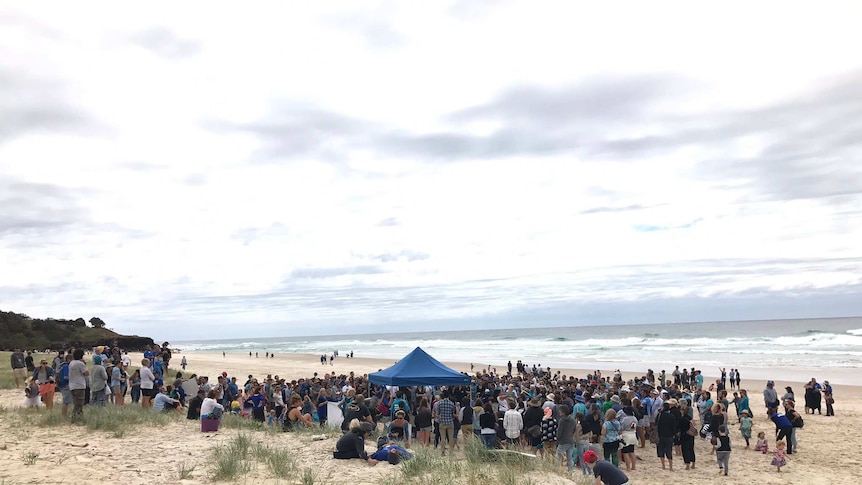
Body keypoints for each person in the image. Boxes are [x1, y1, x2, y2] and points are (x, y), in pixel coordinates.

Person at [68, 349, 89, 419]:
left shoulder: (71, 363)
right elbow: (86, 373)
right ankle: (74, 417)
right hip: (79, 385)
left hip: (72, 385)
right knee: (79, 403)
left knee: (76, 402)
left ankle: (80, 416)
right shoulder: (80, 364)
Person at [556, 404, 576, 474]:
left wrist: (557, 438)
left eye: (560, 411)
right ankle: (570, 471)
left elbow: (559, 431)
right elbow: (574, 429)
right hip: (571, 440)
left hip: (563, 440)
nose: (559, 412)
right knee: (570, 457)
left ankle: (557, 470)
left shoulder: (562, 420)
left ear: (563, 412)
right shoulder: (573, 419)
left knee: (558, 456)